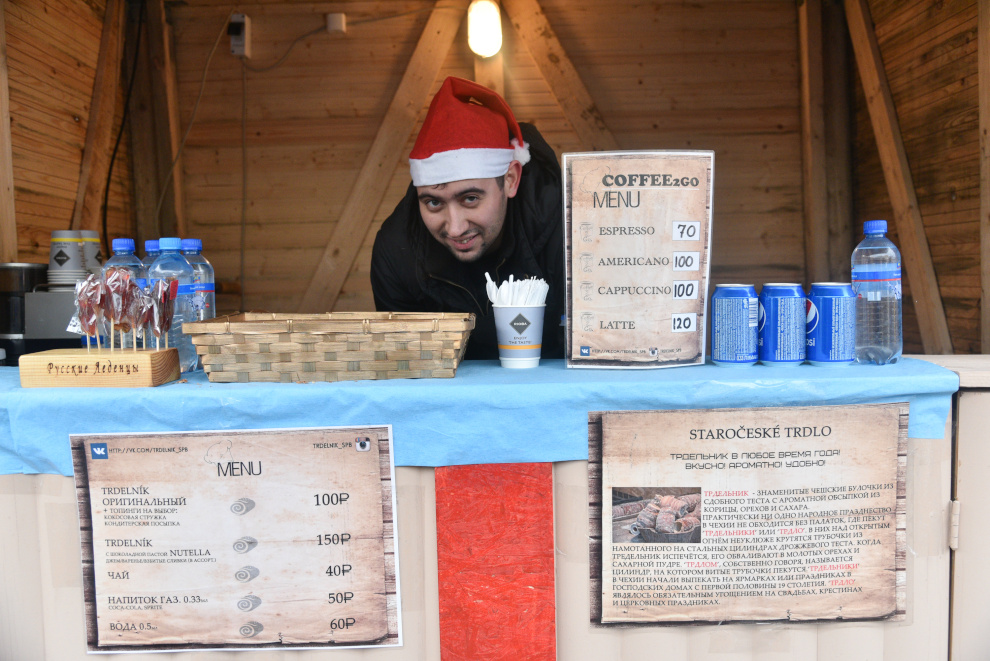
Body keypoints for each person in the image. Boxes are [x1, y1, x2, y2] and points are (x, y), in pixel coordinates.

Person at [371, 76, 565, 360]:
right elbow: (406, 366)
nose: (455, 228)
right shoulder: (396, 251)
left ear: (510, 180)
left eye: (470, 199)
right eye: (434, 203)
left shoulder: (569, 229)